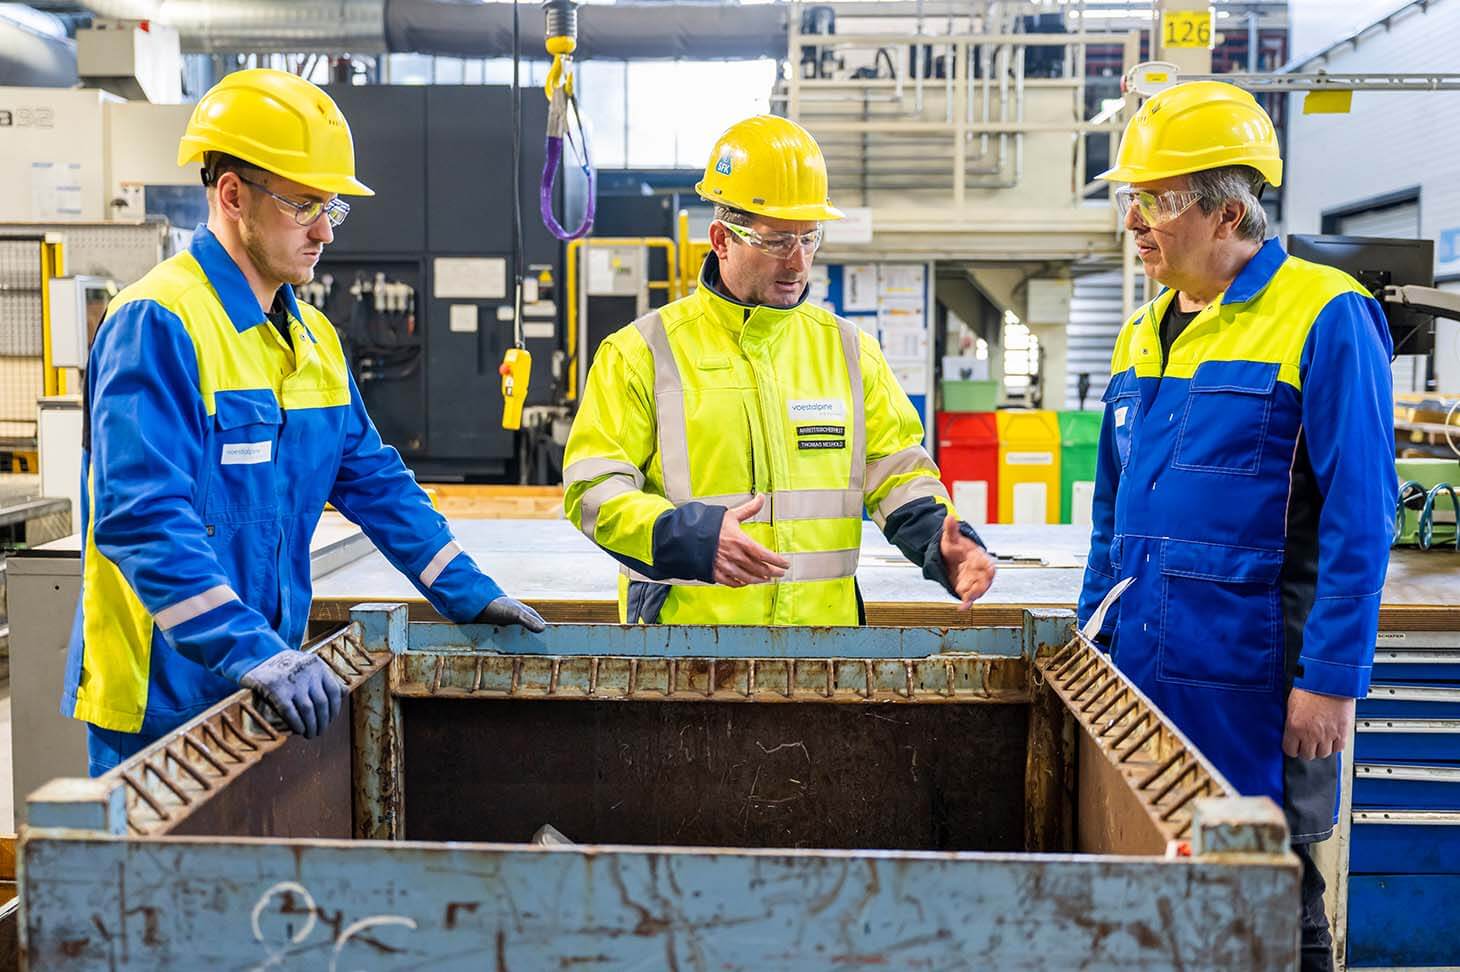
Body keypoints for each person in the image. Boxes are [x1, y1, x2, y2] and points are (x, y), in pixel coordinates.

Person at [64, 69, 544, 776]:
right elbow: (140, 518)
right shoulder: (159, 321)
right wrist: (251, 649)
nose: (324, 230)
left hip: (265, 685)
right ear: (231, 195)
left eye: (332, 207)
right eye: (303, 205)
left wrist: (471, 593)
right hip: (163, 703)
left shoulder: (313, 336)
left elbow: (375, 480)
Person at [1078, 81, 1396, 972]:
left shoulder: (1324, 315)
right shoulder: (1141, 331)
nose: (1139, 222)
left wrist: (1332, 680)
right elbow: (1114, 504)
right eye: (1132, 200)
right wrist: (1091, 633)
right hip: (1145, 677)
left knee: (1273, 899)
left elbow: (1360, 516)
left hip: (1258, 685)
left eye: (1160, 201)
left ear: (1227, 212)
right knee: (1162, 899)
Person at [562, 115, 996, 625]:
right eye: (774, 242)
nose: (796, 263)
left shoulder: (849, 351)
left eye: (809, 239)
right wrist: (689, 537)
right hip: (683, 654)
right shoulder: (640, 352)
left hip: (823, 652)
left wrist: (944, 545)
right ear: (721, 239)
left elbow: (897, 473)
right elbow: (593, 489)